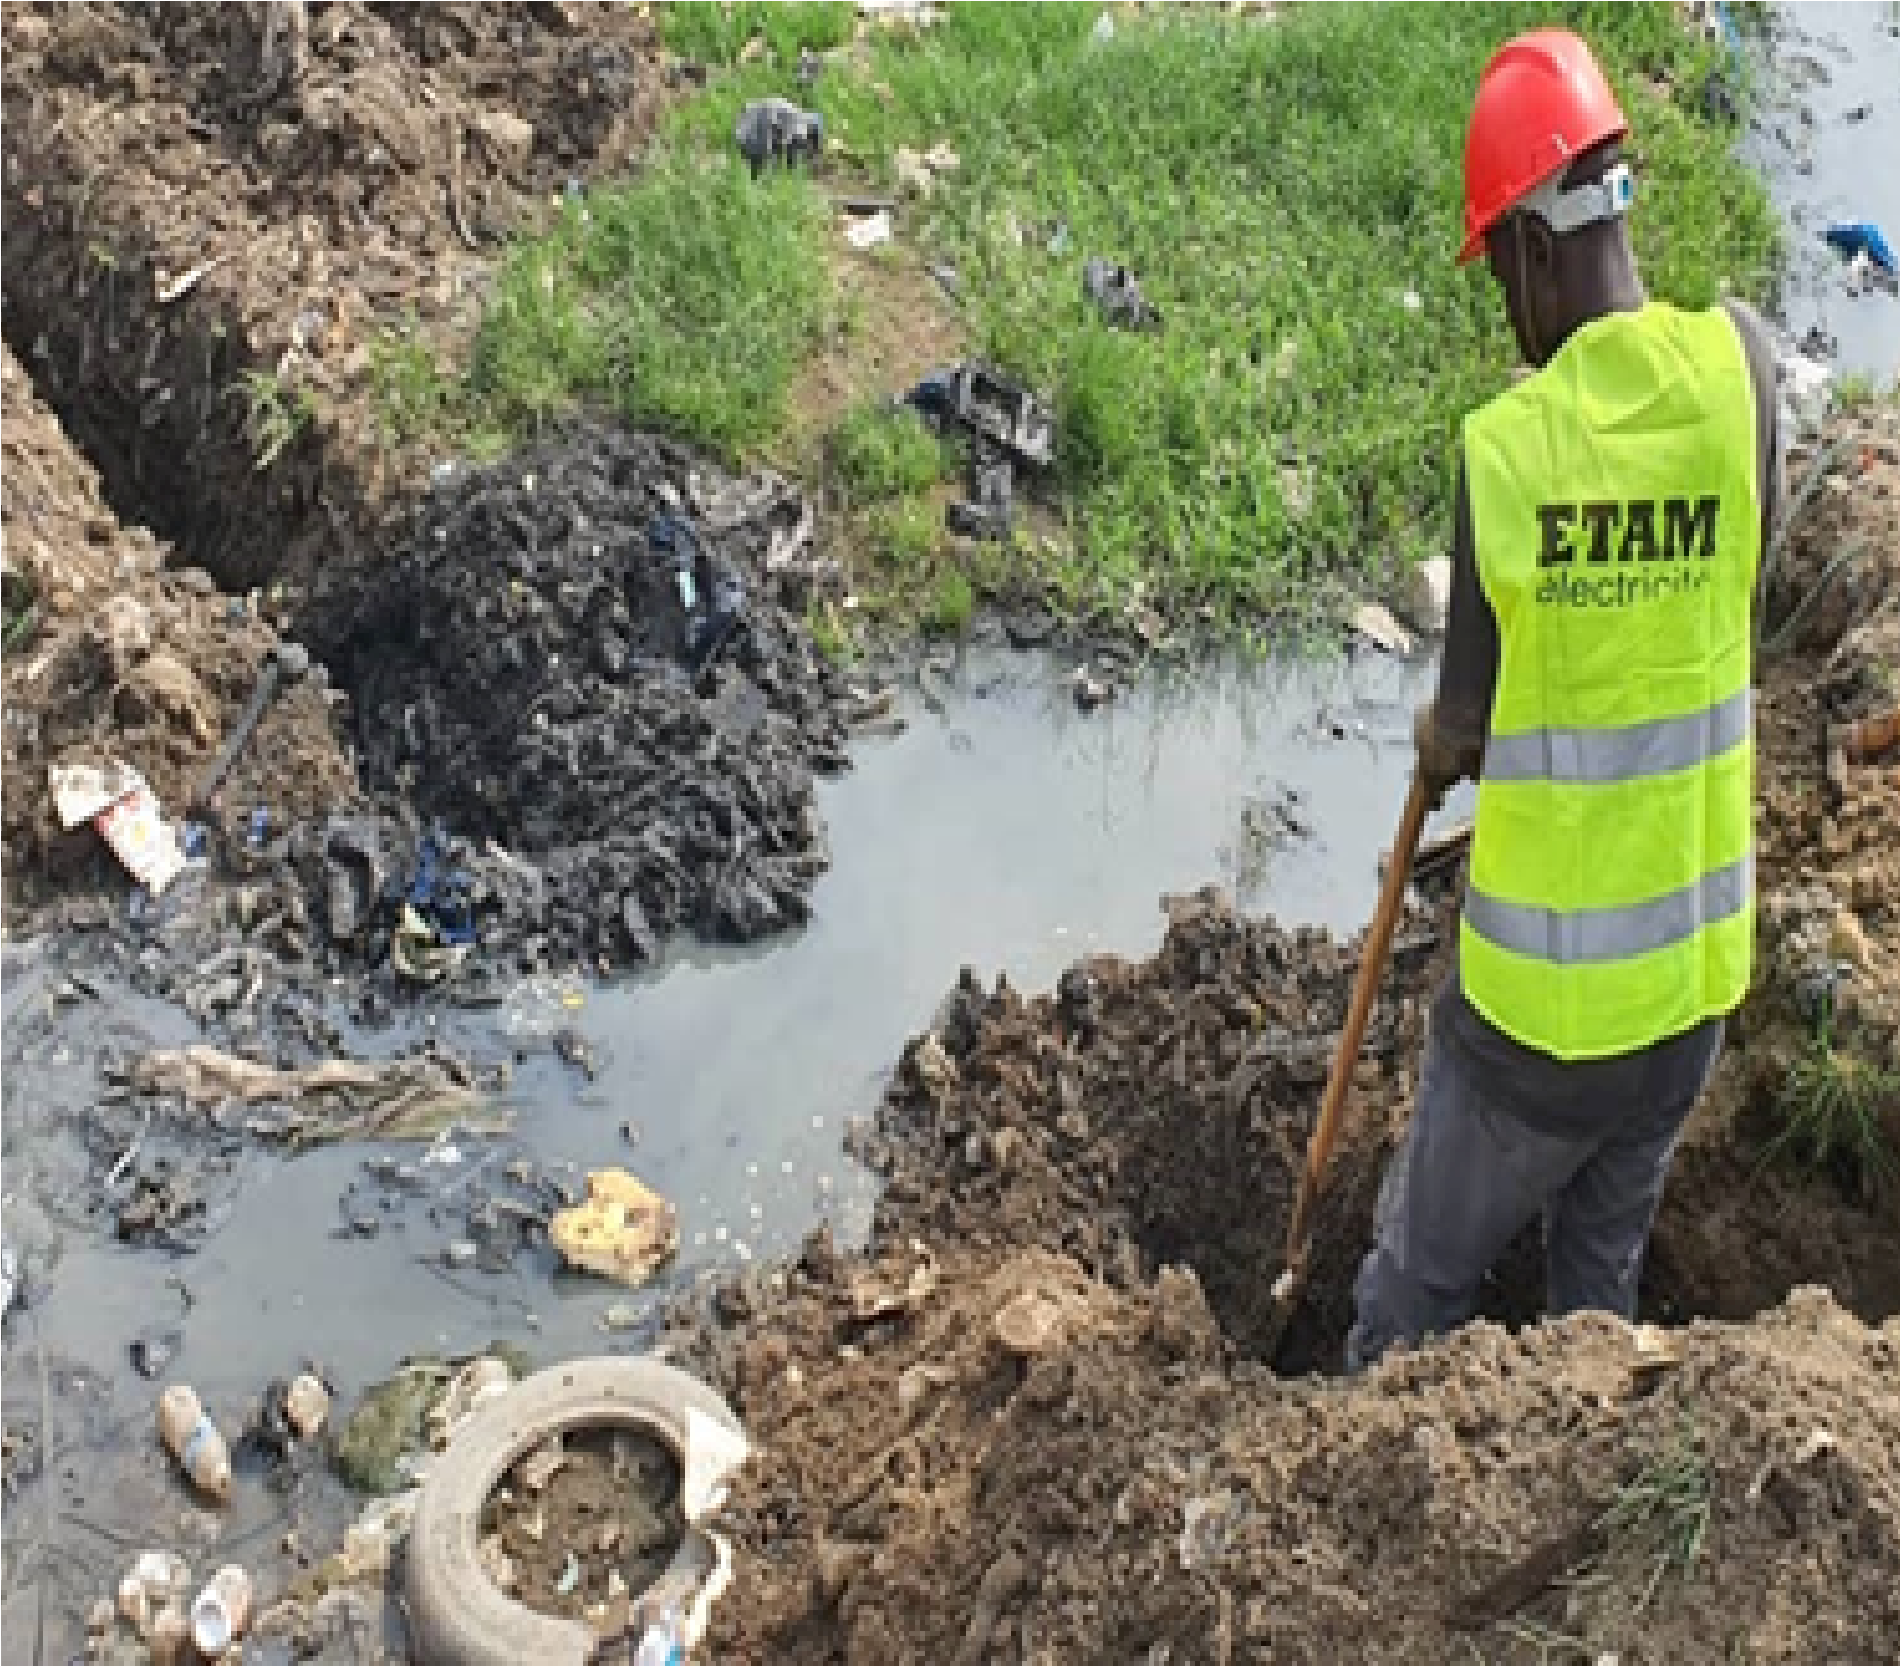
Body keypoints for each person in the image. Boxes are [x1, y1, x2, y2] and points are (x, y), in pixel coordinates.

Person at [1345, 27, 1785, 1371]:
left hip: (1541, 1024)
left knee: (1411, 1281)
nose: (1505, 314)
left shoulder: (1510, 454)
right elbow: (1727, 618)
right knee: (1599, 1282)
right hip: (1692, 997)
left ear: (1533, 250)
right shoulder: (1748, 370)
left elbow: (1464, 729)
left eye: (1496, 277)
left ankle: (1346, 1477)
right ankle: (1586, 1436)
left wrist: (1435, 739)